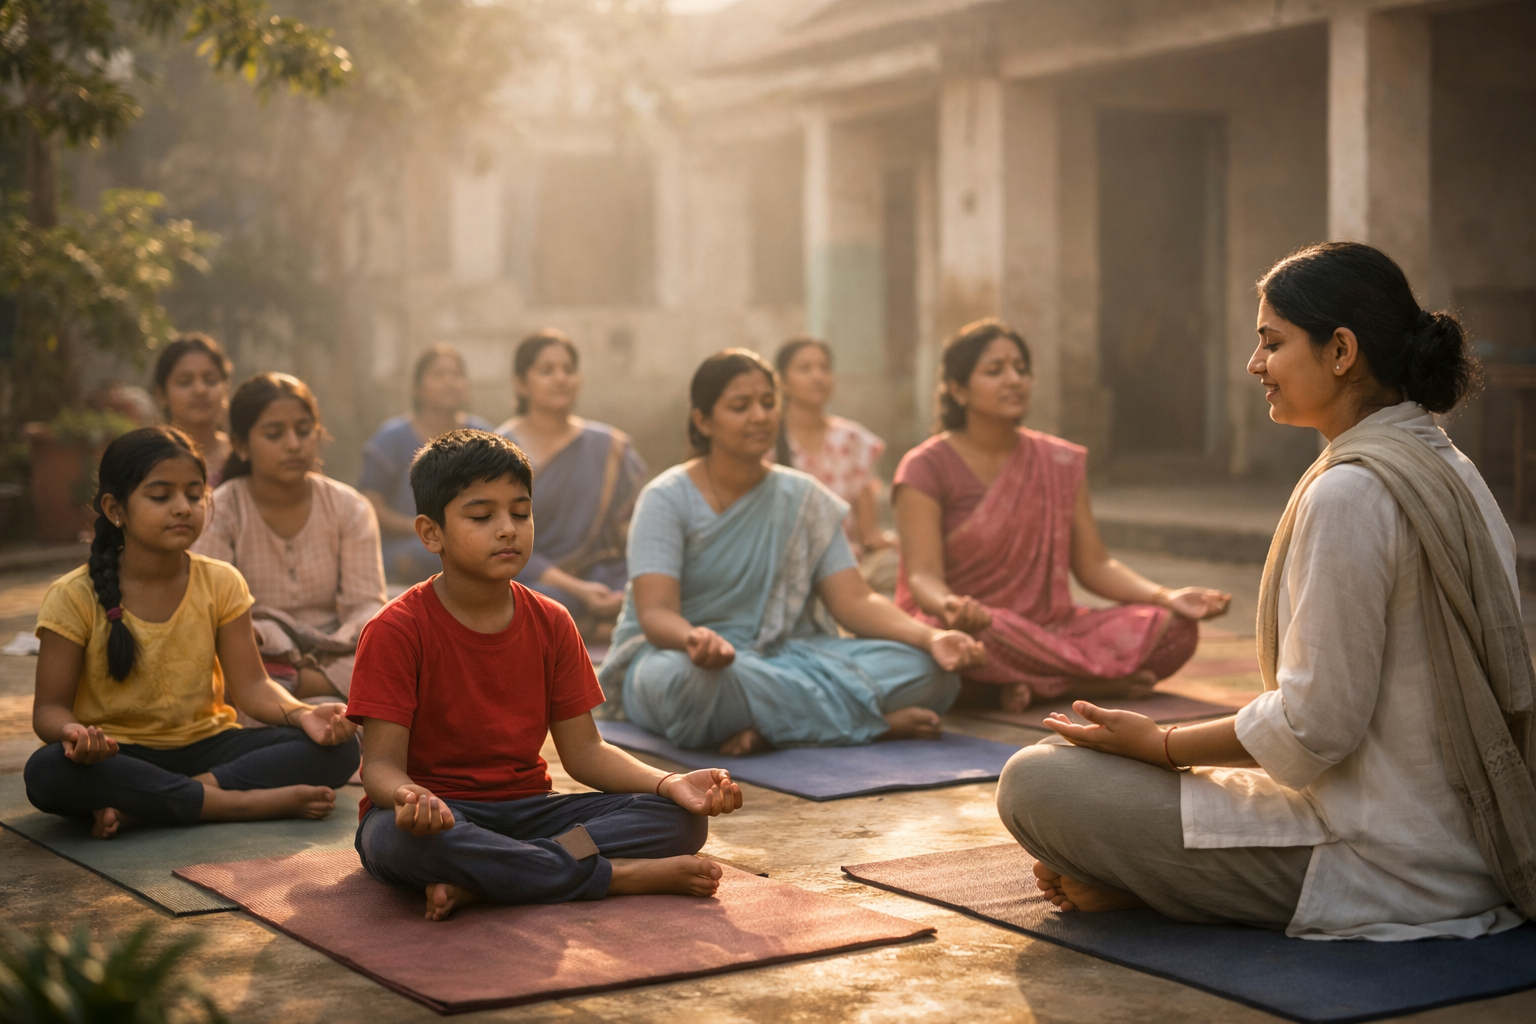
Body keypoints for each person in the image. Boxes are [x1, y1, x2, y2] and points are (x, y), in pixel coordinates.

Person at [996, 241, 1535, 940]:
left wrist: (1161, 744)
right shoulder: (1447, 464)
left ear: (1341, 351)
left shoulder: (1353, 489)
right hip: (1455, 835)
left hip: (1388, 860)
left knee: (1037, 783)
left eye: (1272, 343)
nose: (1256, 366)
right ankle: (1137, 880)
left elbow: (1317, 725)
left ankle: (1144, 886)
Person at [348, 429, 742, 920]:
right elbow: (380, 768)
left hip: (531, 814)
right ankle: (615, 876)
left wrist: (669, 783)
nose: (508, 528)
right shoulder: (396, 630)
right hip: (444, 818)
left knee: (680, 822)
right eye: (481, 515)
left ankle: (493, 879)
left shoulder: (552, 620)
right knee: (392, 840)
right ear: (431, 533)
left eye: (520, 511)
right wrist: (412, 798)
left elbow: (584, 752)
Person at [599, 349, 988, 757]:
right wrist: (694, 638)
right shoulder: (666, 497)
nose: (759, 415)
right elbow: (656, 614)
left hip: (785, 653)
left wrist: (933, 637)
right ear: (702, 420)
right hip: (687, 658)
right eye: (740, 406)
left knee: (933, 673)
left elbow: (855, 599)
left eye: (768, 403)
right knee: (692, 689)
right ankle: (868, 724)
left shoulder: (803, 497)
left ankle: (771, 727)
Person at [24, 427, 359, 840]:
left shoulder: (222, 582)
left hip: (207, 746)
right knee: (47, 770)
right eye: (161, 496)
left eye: (194, 495)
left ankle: (150, 806)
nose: (183, 508)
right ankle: (235, 803)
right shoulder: (72, 596)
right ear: (115, 508)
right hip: (117, 753)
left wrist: (306, 714)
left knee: (341, 747)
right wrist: (74, 734)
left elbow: (254, 687)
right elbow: (48, 711)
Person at [893, 318, 1231, 713]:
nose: (1014, 380)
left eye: (1021, 369)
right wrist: (950, 605)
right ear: (957, 389)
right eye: (994, 370)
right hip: (972, 626)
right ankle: (1087, 683)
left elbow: (1095, 564)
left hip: (1048, 628)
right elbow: (922, 575)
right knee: (949, 650)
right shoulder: (924, 467)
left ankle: (1036, 685)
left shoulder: (1057, 461)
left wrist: (1167, 596)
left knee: (1176, 631)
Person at [193, 373, 386, 700]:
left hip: (335, 654)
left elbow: (365, 605)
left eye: (303, 430)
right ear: (240, 445)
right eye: (274, 434)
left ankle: (302, 689)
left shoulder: (349, 508)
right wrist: (272, 649)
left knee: (393, 649)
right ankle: (301, 694)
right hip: (255, 656)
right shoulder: (220, 510)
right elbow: (213, 614)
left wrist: (330, 651)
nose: (294, 444)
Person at [495, 330, 646, 641]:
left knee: (651, 587)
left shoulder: (608, 447)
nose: (561, 378)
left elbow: (632, 530)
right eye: (547, 370)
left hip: (602, 573)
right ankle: (596, 628)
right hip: (529, 575)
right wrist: (579, 589)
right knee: (528, 600)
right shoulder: (497, 452)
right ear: (521, 384)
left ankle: (593, 625)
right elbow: (497, 541)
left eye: (568, 369)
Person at [773, 337, 898, 593]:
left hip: (847, 566)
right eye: (805, 369)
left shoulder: (852, 440)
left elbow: (868, 532)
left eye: (824, 368)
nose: (817, 376)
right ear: (782, 381)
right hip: (786, 563)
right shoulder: (766, 440)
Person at [360, 344, 493, 585]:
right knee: (424, 555)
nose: (449, 382)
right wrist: (426, 530)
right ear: (417, 388)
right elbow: (370, 505)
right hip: (408, 546)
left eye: (456, 375)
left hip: (472, 542)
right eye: (439, 375)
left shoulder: (483, 436)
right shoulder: (392, 438)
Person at [152, 333, 233, 487]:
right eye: (184, 382)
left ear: (225, 388)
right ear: (161, 395)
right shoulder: (146, 461)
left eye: (210, 380)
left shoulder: (242, 457)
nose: (200, 390)